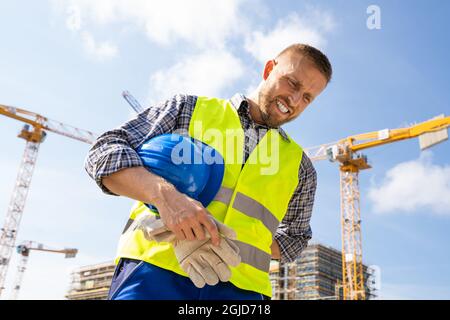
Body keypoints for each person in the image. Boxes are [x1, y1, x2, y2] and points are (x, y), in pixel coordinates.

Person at [85, 43, 332, 300]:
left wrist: (226, 242)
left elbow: (296, 237)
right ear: (269, 69)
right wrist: (165, 198)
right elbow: (104, 152)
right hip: (152, 271)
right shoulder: (188, 110)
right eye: (292, 83)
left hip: (241, 292)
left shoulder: (301, 168)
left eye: (307, 97)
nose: (294, 100)